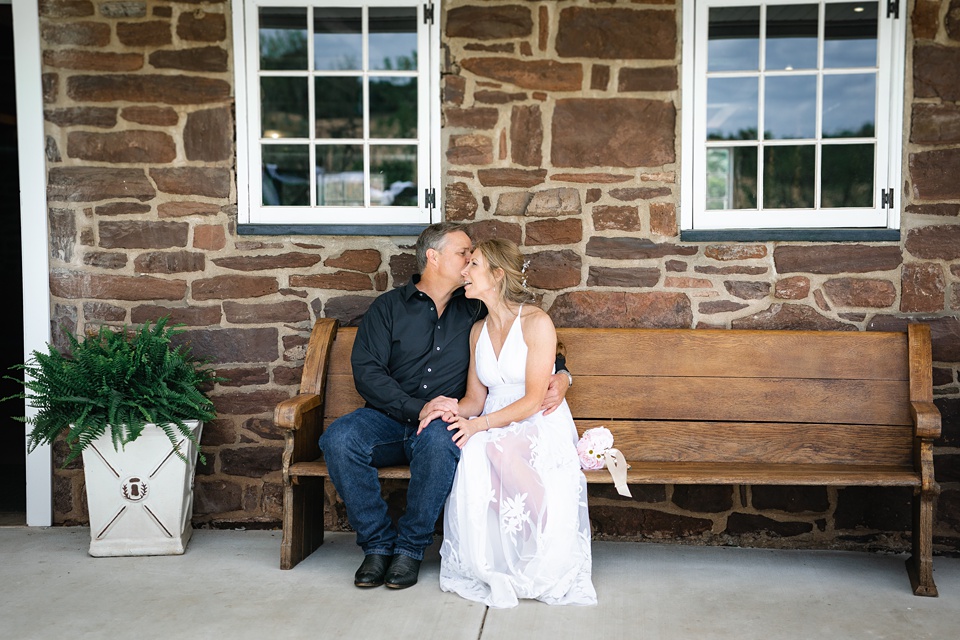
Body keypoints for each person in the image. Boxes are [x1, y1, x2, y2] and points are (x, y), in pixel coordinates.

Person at [318, 222, 572, 590]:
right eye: (463, 254)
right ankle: (376, 544)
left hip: (444, 419)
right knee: (339, 440)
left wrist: (562, 375)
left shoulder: (472, 310)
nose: (470, 261)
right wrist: (414, 407)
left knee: (442, 442)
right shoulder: (388, 308)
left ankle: (409, 550)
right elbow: (368, 374)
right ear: (433, 258)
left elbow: (529, 343)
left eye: (474, 258)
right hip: (388, 419)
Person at [419, 238, 596, 608]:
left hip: (537, 419)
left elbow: (533, 399)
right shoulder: (477, 331)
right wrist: (449, 409)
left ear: (497, 275)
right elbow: (475, 400)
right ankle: (495, 557)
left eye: (474, 266)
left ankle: (544, 547)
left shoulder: (535, 322)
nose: (464, 271)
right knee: (474, 450)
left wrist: (480, 427)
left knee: (489, 445)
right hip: (496, 418)